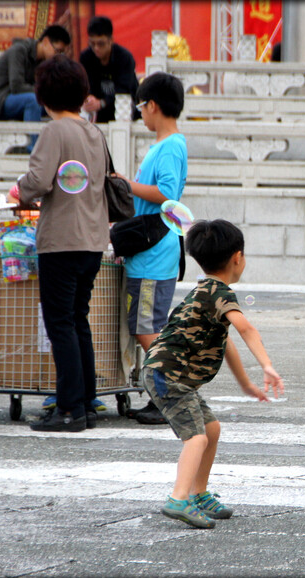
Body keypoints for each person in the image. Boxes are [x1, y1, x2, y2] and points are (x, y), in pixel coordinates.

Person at [142, 219, 284, 529]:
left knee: (212, 428)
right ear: (238, 257)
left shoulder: (205, 290)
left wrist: (246, 383)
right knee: (196, 437)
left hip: (168, 373)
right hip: (169, 375)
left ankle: (199, 493)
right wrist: (267, 366)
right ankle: (178, 499)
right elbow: (245, 327)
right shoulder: (220, 293)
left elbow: (227, 341)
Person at [7, 55, 110, 432]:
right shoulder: (94, 132)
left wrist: (18, 190)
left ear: (43, 96)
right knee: (78, 319)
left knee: (60, 323)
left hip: (61, 240)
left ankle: (68, 409)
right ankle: (85, 402)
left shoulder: (54, 132)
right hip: (93, 240)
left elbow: (35, 182)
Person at [116, 72, 187, 425]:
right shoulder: (165, 145)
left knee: (146, 327)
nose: (140, 113)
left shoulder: (171, 145)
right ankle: (160, 392)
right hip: (150, 252)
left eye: (141, 106)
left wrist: (129, 185)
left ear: (153, 106)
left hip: (154, 254)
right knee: (146, 324)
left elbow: (167, 194)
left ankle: (168, 394)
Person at [0, 25, 70, 123]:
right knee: (33, 101)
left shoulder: (42, 60)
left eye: (62, 53)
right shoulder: (19, 51)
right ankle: (34, 138)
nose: (58, 56)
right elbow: (17, 86)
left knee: (56, 106)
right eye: (57, 51)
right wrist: (46, 93)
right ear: (45, 41)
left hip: (12, 98)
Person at [80, 16, 140, 123]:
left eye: (101, 44)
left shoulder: (124, 58)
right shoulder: (86, 57)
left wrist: (102, 102)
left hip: (125, 112)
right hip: (97, 114)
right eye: (92, 44)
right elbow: (85, 85)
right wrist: (89, 98)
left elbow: (124, 90)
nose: (96, 48)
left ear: (111, 40)